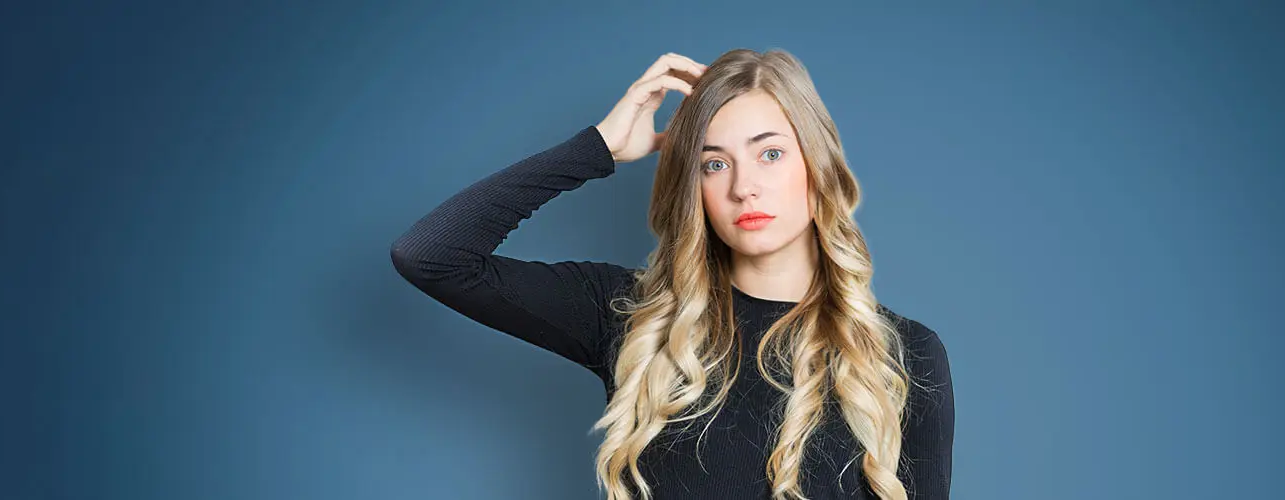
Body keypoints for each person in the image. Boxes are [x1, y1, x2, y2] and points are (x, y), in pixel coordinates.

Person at [390, 48, 954, 500]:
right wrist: (599, 148)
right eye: (715, 164)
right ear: (695, 188)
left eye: (770, 154)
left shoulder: (905, 354)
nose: (743, 186)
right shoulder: (633, 316)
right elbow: (431, 256)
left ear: (817, 163)